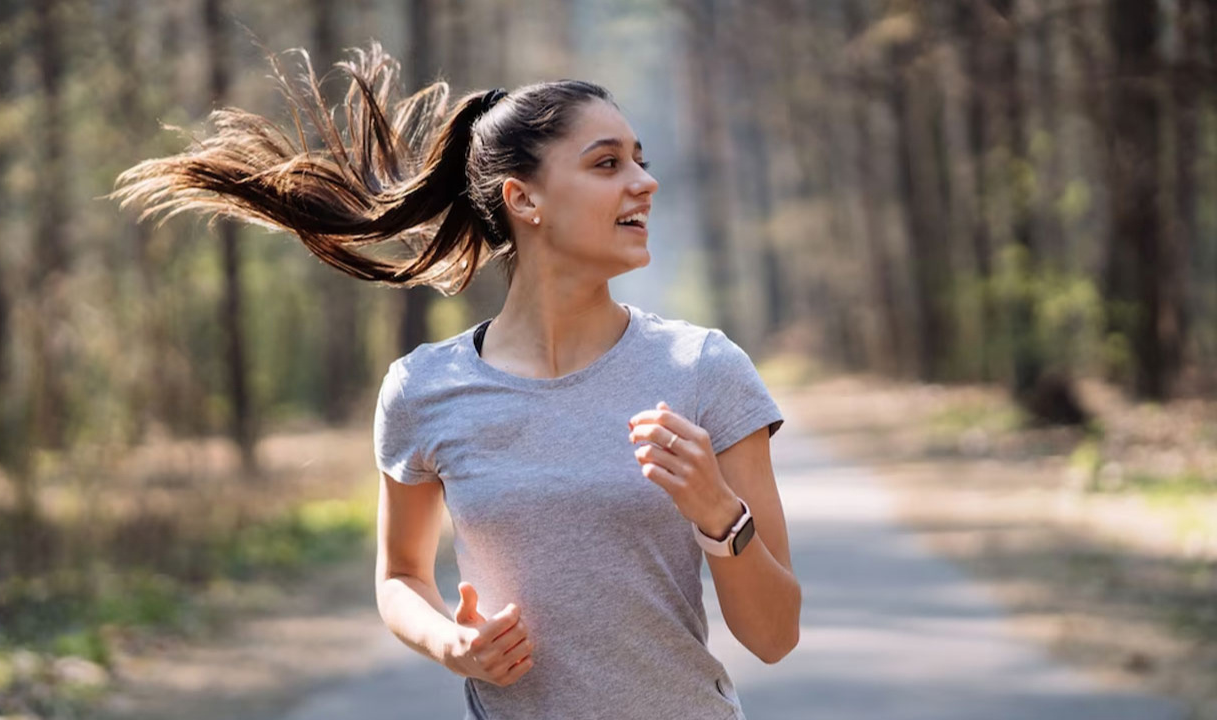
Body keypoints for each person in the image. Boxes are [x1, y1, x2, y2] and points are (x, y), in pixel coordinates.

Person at [110, 40, 801, 720]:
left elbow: (775, 638)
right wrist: (452, 642)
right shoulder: (424, 390)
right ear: (523, 199)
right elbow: (401, 577)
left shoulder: (703, 370)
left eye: (641, 162)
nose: (643, 182)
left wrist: (719, 513)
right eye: (607, 163)